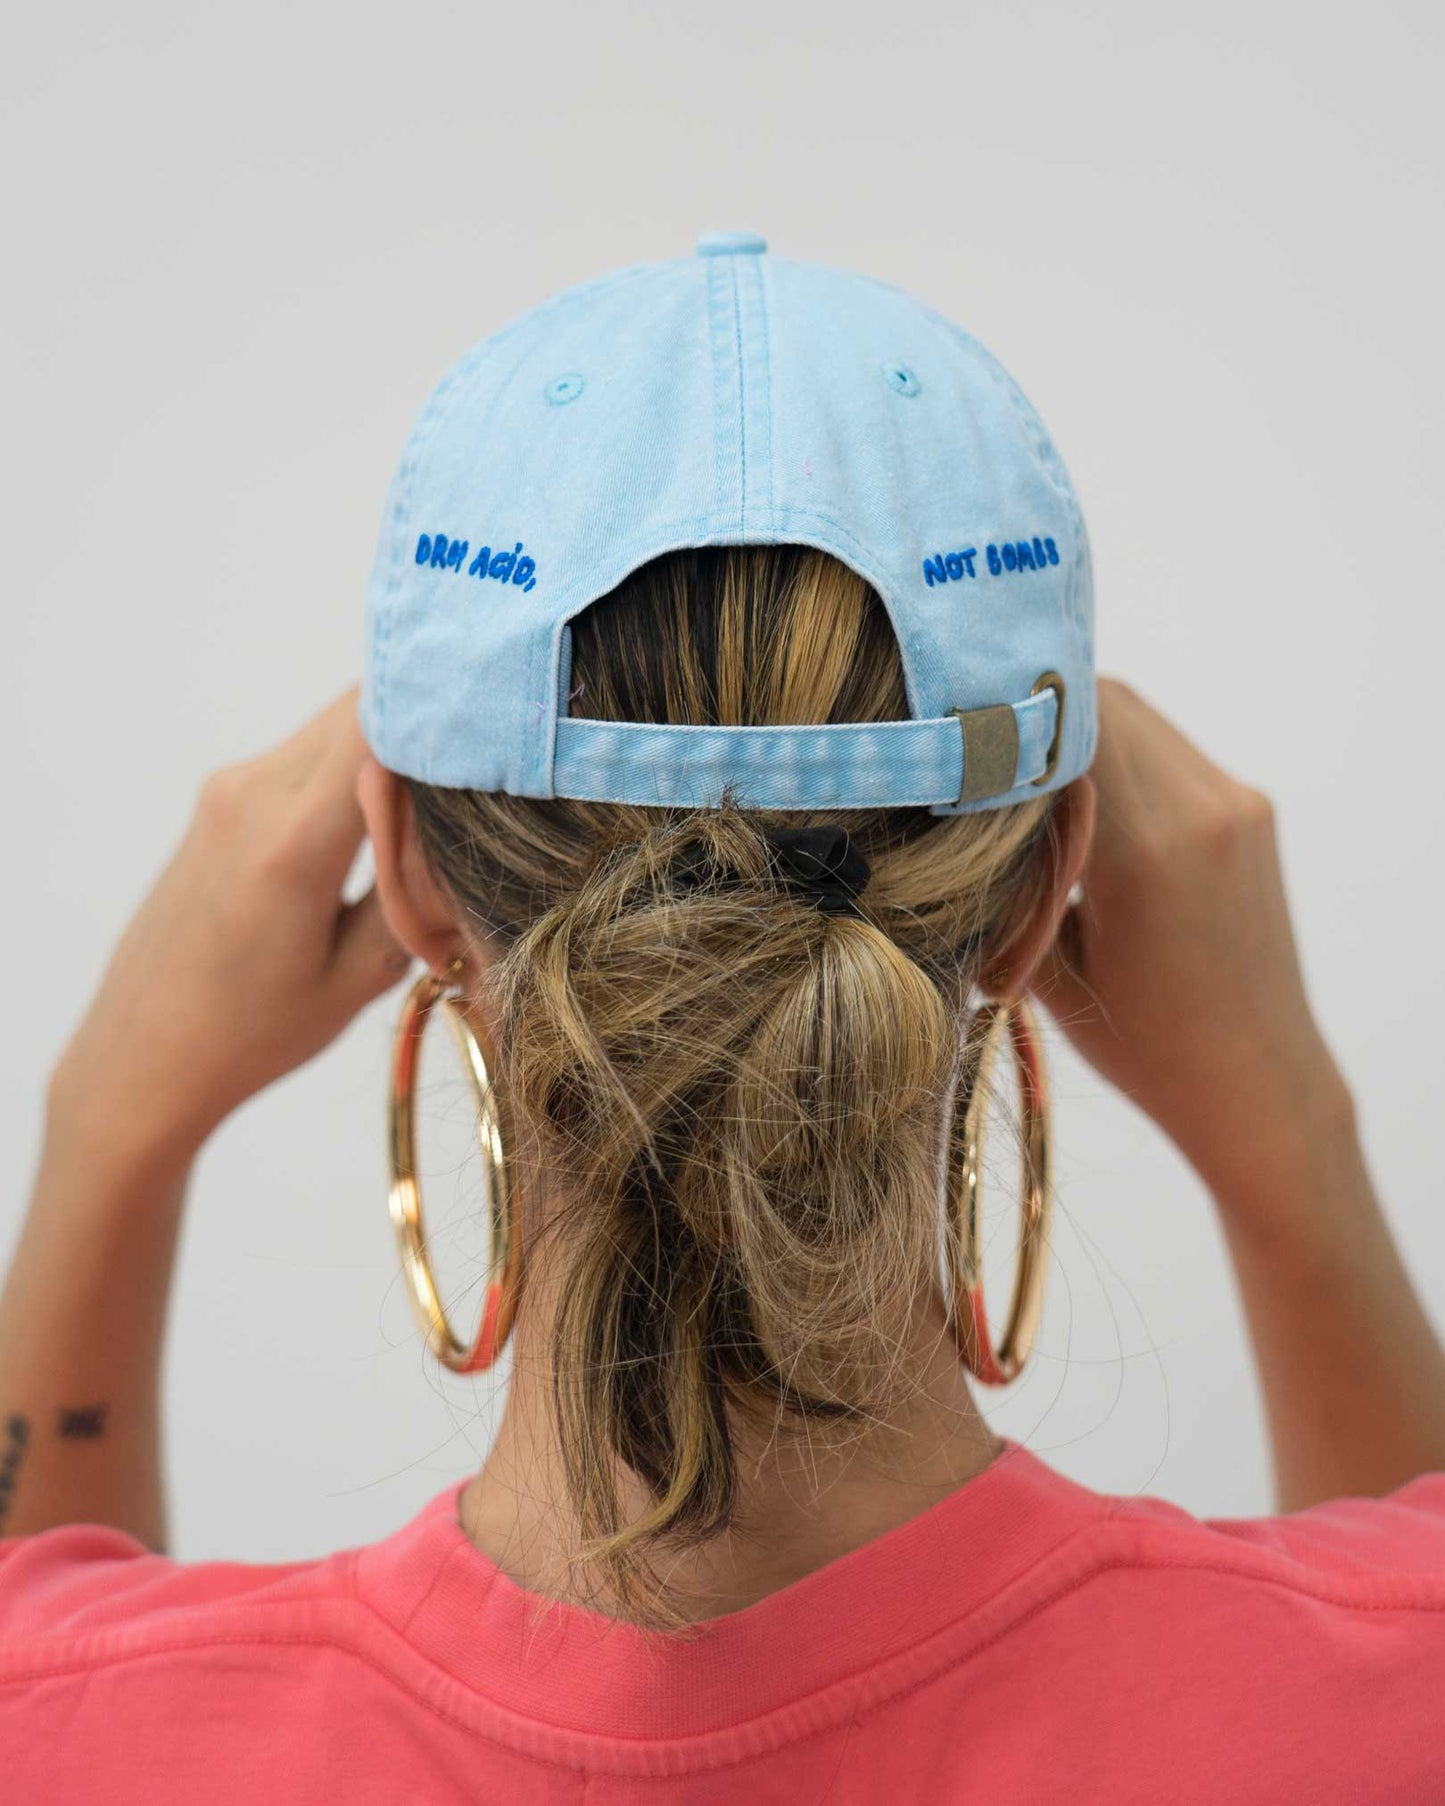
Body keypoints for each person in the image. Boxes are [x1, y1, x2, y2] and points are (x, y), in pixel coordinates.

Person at [2, 236, 1444, 1803]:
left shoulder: (61, 1727)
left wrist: (103, 1138)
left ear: (407, 866)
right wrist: (1291, 1141)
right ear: (1042, 890)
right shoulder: (1395, 1690)